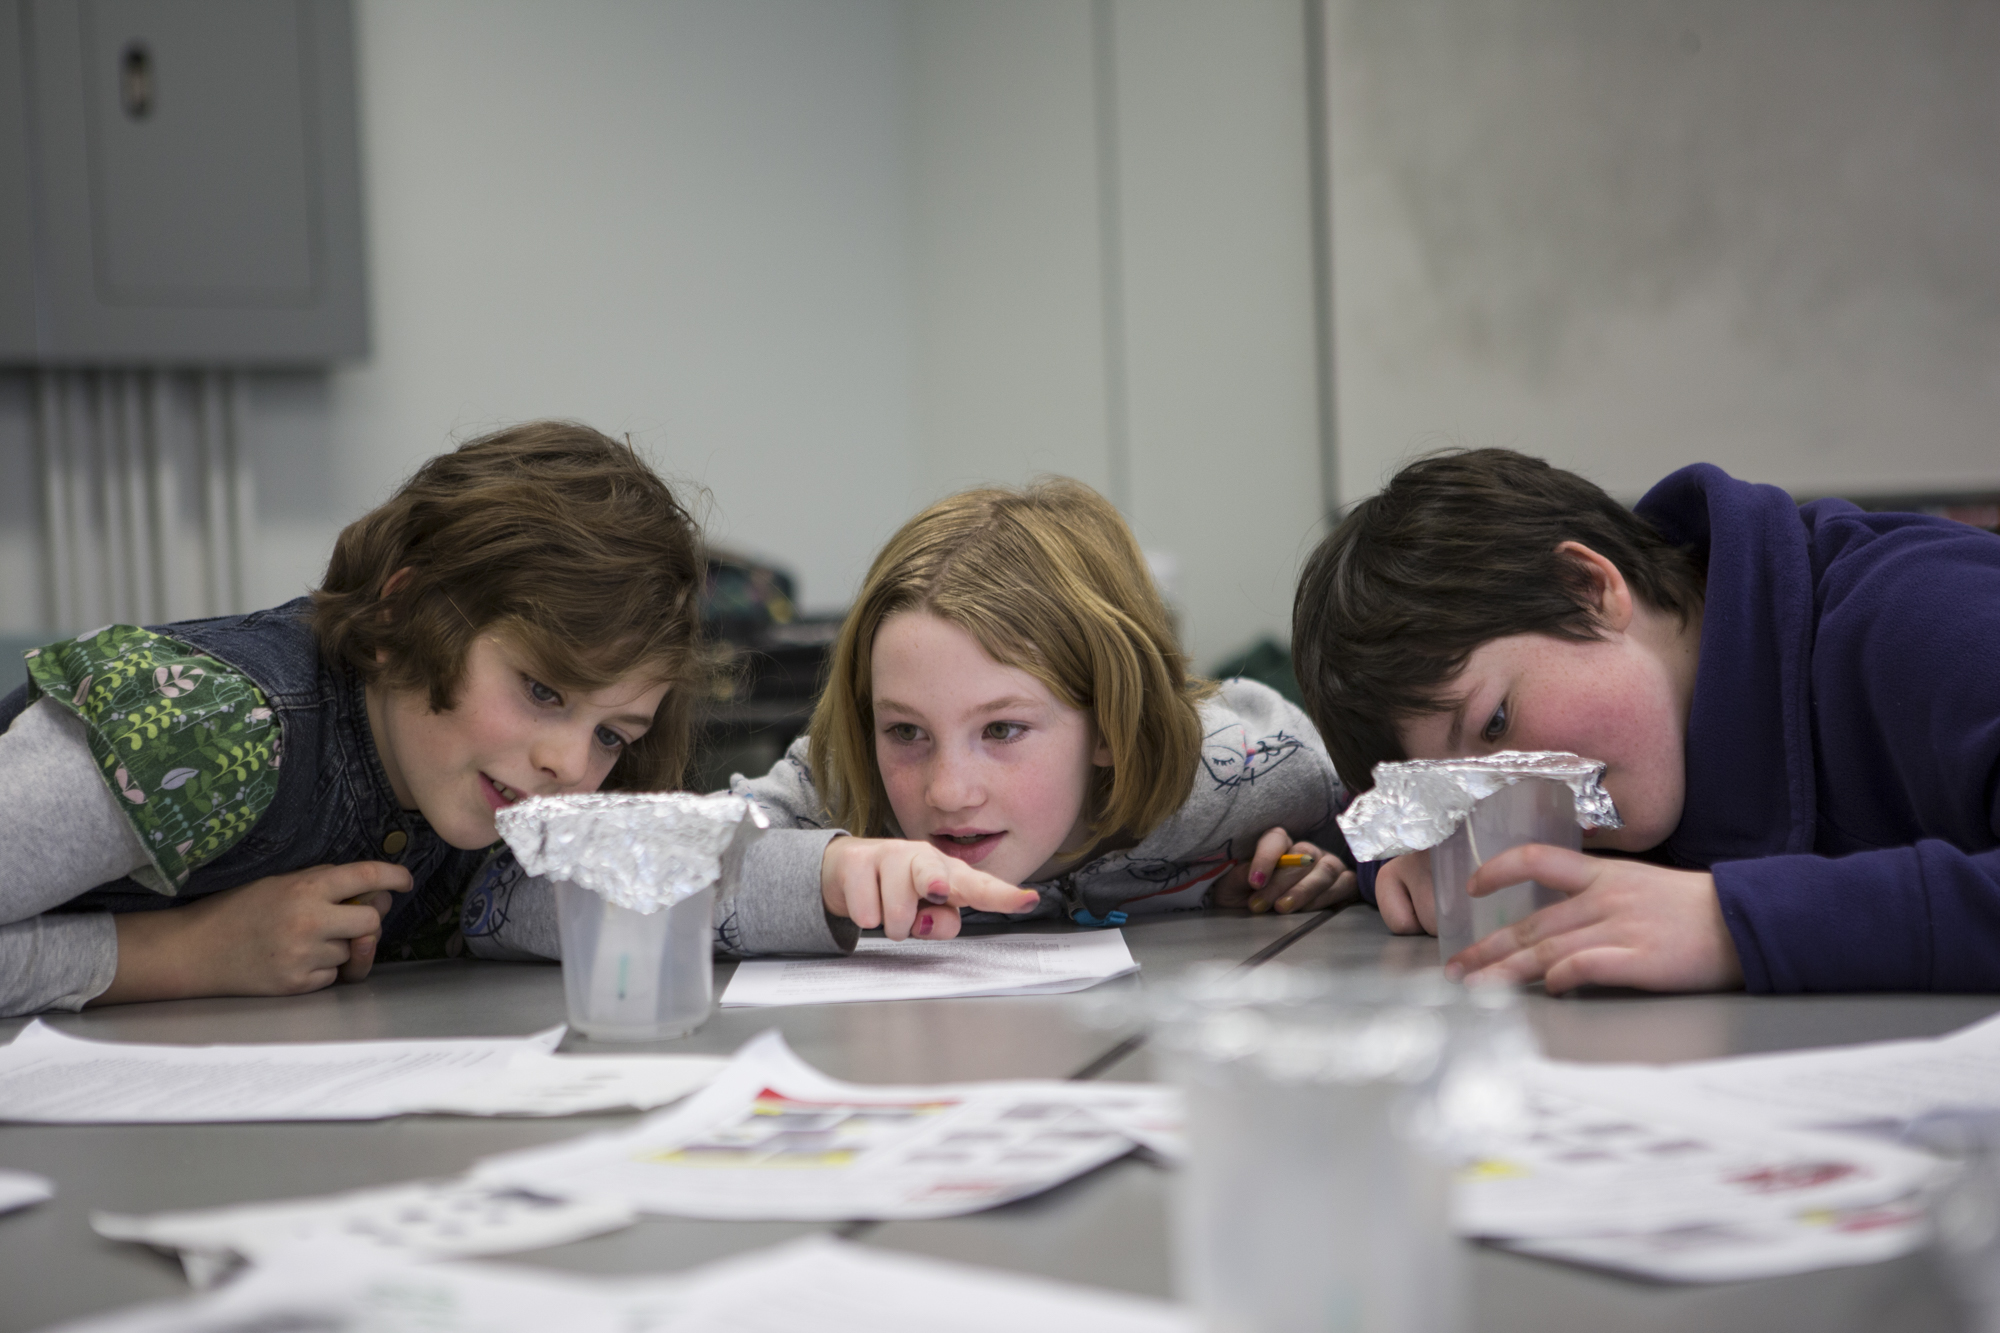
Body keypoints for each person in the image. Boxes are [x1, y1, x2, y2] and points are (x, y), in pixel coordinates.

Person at [2, 422, 758, 1016]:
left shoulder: (481, 792)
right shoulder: (208, 725)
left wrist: (832, 877)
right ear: (402, 613)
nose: (569, 765)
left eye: (610, 735)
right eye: (542, 690)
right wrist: (182, 955)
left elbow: (658, 891)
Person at [462, 477, 1353, 962]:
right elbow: (506, 899)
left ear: (1114, 724)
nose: (946, 790)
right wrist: (820, 877)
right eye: (906, 731)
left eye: (1002, 729)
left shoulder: (1245, 767)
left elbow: (1409, 812)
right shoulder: (839, 786)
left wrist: (1339, 863)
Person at [1291, 447, 2000, 995]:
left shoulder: (1925, 615)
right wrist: (1393, 855)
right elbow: (1363, 812)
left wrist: (1731, 922)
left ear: (1589, 588)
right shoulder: (1627, 741)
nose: (1521, 793)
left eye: (1498, 722)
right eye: (1466, 794)